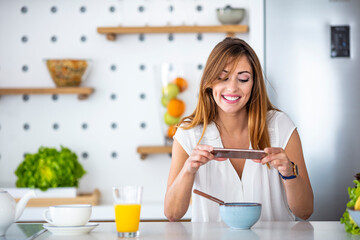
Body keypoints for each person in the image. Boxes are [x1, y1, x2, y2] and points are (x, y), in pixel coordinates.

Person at [164, 37, 313, 222]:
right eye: (222, 77)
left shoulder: (280, 125)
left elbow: (305, 211)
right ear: (209, 82)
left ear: (254, 84)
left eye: (243, 78)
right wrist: (188, 169)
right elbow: (172, 214)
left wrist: (289, 173)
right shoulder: (188, 133)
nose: (232, 88)